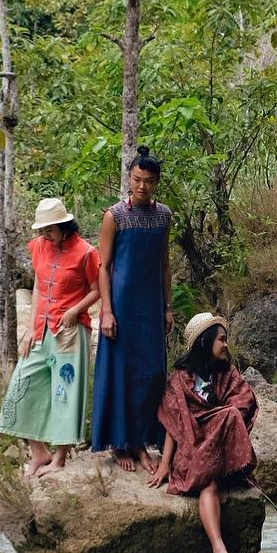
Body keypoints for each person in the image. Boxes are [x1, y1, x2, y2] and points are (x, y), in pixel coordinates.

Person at [0, 197, 100, 477]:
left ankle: (60, 458)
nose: (44, 235)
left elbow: (97, 289)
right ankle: (38, 452)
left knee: (65, 393)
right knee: (23, 383)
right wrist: (31, 328)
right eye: (41, 230)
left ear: (64, 226)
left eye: (49, 230)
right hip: (42, 329)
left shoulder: (86, 252)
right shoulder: (39, 247)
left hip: (70, 332)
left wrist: (76, 309)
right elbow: (39, 287)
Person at [149, 313, 258, 553]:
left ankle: (221, 551)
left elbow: (244, 403)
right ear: (204, 341)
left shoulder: (228, 374)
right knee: (209, 484)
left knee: (230, 414)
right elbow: (174, 425)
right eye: (221, 339)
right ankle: (219, 552)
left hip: (223, 453)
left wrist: (216, 420)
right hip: (193, 452)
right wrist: (165, 464)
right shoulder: (180, 380)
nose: (226, 345)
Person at [91, 146, 174, 472]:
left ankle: (142, 443)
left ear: (156, 183)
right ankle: (120, 445)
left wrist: (168, 307)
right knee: (121, 373)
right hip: (122, 307)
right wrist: (107, 311)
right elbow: (104, 267)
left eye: (149, 181)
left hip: (151, 307)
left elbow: (165, 265)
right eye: (138, 179)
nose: (142, 186)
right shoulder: (114, 216)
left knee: (151, 375)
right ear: (129, 178)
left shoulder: (164, 215)